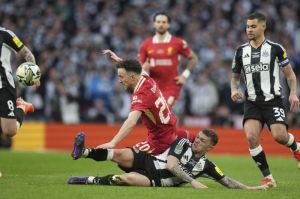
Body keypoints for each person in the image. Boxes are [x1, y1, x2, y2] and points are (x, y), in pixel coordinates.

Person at [68, 129, 267, 190]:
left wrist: (251, 189)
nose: (196, 141)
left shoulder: (207, 165)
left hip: (156, 180)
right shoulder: (182, 143)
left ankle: (87, 179)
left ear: (210, 147)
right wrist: (194, 182)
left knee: (124, 180)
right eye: (197, 137)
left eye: (202, 141)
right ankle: (83, 152)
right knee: (119, 153)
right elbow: (172, 165)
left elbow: (228, 182)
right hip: (148, 161)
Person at [231, 12, 300, 187]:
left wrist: (293, 93)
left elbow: (291, 75)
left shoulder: (276, 49)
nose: (249, 29)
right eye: (247, 26)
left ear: (263, 26)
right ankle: (269, 178)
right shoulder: (240, 51)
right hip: (252, 102)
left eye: (253, 26)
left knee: (279, 136)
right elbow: (235, 77)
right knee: (251, 137)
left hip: (273, 100)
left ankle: (296, 148)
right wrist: (234, 89)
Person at [81, 55, 194, 155]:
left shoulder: (141, 95)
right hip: (169, 129)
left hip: (159, 139)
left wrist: (113, 142)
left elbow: (131, 122)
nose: (119, 80)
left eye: (121, 76)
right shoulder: (146, 79)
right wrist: (120, 61)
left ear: (132, 77)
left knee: (127, 159)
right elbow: (139, 70)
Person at [138, 12, 198, 108]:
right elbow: (140, 65)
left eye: (164, 22)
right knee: (154, 117)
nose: (161, 24)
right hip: (153, 86)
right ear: (154, 24)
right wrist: (144, 69)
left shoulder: (177, 42)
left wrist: (184, 75)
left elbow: (193, 58)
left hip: (171, 85)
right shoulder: (146, 44)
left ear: (168, 24)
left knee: (163, 108)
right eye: (158, 22)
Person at [0, 26, 37, 138]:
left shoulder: (5, 35)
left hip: (4, 84)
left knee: (9, 131)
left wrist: (34, 76)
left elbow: (26, 53)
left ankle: (21, 107)